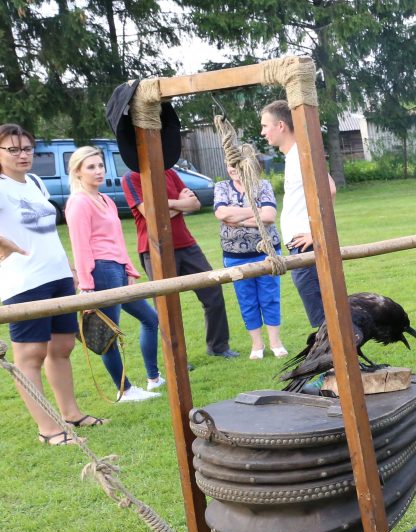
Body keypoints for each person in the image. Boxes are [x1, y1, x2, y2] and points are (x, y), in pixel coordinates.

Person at [0, 124, 107, 444]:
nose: (23, 155)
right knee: (30, 354)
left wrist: (68, 267)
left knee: (62, 347)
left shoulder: (34, 182)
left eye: (28, 148)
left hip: (57, 275)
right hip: (23, 282)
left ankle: (70, 414)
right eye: (13, 149)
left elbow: (45, 231)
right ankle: (48, 430)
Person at [65, 146, 162, 401]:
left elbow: (117, 239)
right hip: (101, 272)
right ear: (77, 172)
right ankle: (125, 390)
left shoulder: (105, 199)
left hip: (117, 269)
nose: (98, 171)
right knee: (106, 332)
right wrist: (86, 285)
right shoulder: (78, 202)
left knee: (151, 319)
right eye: (91, 167)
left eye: (100, 165)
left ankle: (154, 378)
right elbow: (80, 245)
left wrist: (129, 267)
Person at [121, 167, 238, 358]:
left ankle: (218, 347)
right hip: (155, 248)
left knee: (212, 289)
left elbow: (194, 204)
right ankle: (176, 358)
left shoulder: (168, 172)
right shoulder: (131, 178)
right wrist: (180, 204)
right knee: (167, 304)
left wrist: (164, 207)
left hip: (186, 244)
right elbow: (149, 214)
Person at [260, 99, 336, 328]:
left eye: (265, 126)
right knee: (321, 314)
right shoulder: (293, 156)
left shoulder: (300, 156)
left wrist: (316, 234)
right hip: (300, 243)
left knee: (323, 316)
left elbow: (329, 189)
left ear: (281, 126)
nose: (262, 132)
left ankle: (338, 362)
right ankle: (337, 361)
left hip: (307, 244)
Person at [213, 164, 287, 360]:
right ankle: (257, 344)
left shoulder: (262, 185)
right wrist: (255, 212)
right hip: (235, 255)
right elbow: (221, 214)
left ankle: (275, 342)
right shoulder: (221, 187)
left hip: (266, 251)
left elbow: (269, 216)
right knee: (247, 300)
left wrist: (237, 219)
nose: (233, 169)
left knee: (270, 297)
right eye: (229, 165)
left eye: (237, 165)